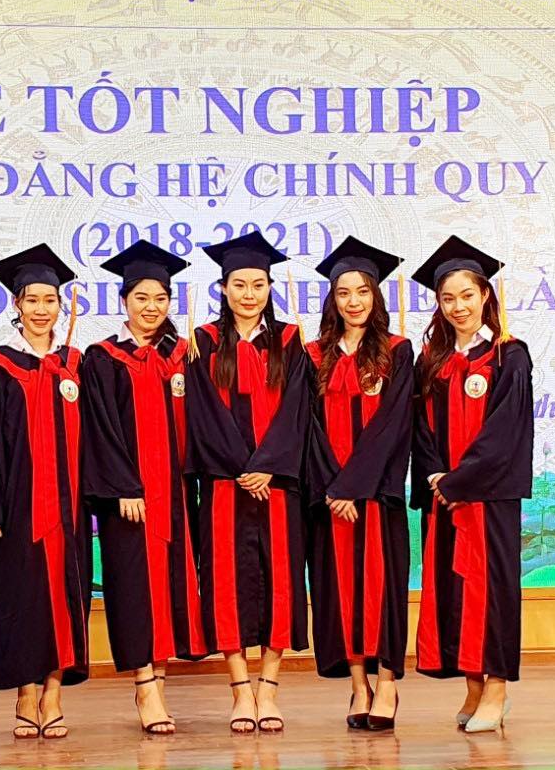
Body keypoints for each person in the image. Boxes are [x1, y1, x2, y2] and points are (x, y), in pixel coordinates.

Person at [184, 231, 313, 733]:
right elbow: (203, 414)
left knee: (281, 580)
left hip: (277, 486)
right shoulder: (203, 342)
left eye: (258, 284)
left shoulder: (291, 342)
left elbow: (297, 410)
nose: (249, 294)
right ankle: (240, 690)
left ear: (269, 288)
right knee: (226, 583)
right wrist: (243, 468)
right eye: (239, 284)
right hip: (224, 486)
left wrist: (269, 466)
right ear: (223, 288)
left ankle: (269, 688)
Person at [81, 241, 207, 735]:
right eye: (141, 298)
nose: (151, 307)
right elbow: (100, 430)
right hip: (130, 500)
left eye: (160, 298)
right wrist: (123, 487)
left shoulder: (184, 354)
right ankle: (144, 686)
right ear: (124, 301)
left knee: (171, 585)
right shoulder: (103, 359)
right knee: (135, 588)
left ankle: (160, 681)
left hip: (176, 495)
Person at [0, 243, 91, 740]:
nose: (42, 309)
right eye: (32, 300)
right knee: (23, 597)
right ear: (16, 304)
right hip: (19, 504)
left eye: (50, 300)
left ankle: (54, 694)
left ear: (61, 306)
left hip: (70, 506)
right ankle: (24, 692)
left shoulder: (76, 365)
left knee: (65, 596)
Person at [409, 236, 533, 733]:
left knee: (493, 591)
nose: (458, 306)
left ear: (485, 295)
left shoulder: (509, 357)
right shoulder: (432, 361)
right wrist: (435, 475)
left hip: (488, 500)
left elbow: (505, 433)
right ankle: (473, 687)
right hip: (445, 499)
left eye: (466, 295)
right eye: (447, 298)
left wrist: (460, 481)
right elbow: (419, 428)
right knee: (457, 591)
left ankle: (497, 690)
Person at [306, 237, 415, 731]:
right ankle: (358, 685)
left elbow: (393, 426)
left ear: (376, 296)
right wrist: (333, 489)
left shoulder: (397, 352)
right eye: (344, 292)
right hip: (332, 500)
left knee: (383, 588)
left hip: (376, 495)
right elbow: (308, 430)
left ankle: (387, 683)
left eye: (363, 291)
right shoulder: (313, 356)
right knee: (340, 590)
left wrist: (353, 486)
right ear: (332, 299)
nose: (353, 301)